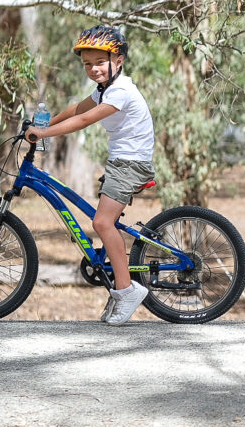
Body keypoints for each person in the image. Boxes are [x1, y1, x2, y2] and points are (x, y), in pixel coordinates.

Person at [25, 25, 156, 325]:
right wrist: (41, 124)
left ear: (118, 60)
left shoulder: (121, 91)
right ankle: (121, 284)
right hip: (120, 161)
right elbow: (76, 109)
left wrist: (44, 132)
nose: (93, 69)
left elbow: (84, 120)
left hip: (131, 164)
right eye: (87, 64)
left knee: (101, 222)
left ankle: (126, 290)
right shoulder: (104, 90)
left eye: (99, 62)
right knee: (102, 220)